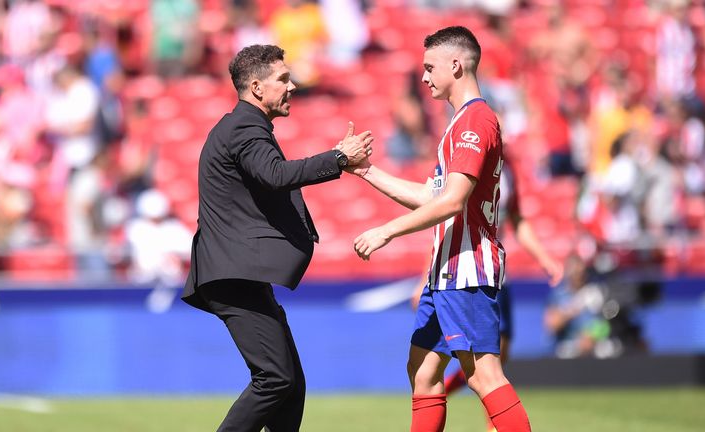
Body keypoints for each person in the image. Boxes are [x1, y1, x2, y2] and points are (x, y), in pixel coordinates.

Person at [345, 26, 531, 431]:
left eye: (430, 67)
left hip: (465, 268)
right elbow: (434, 195)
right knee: (423, 372)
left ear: (456, 65)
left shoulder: (475, 122)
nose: (425, 77)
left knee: (484, 376)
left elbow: (452, 201)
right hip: (445, 271)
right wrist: (366, 171)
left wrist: (386, 232)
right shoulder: (460, 123)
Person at [181, 44, 373, 432]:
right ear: (256, 87)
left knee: (290, 385)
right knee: (276, 379)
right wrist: (338, 158)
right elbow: (275, 175)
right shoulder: (245, 127)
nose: (292, 86)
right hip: (233, 276)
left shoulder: (244, 126)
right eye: (283, 79)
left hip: (241, 276)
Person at [410, 158, 563, 432]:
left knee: (494, 359)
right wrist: (424, 279)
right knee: (475, 368)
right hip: (461, 272)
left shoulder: (507, 170)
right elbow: (445, 225)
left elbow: (516, 219)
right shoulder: (466, 160)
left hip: (493, 271)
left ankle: (493, 421)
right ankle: (493, 423)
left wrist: (544, 259)